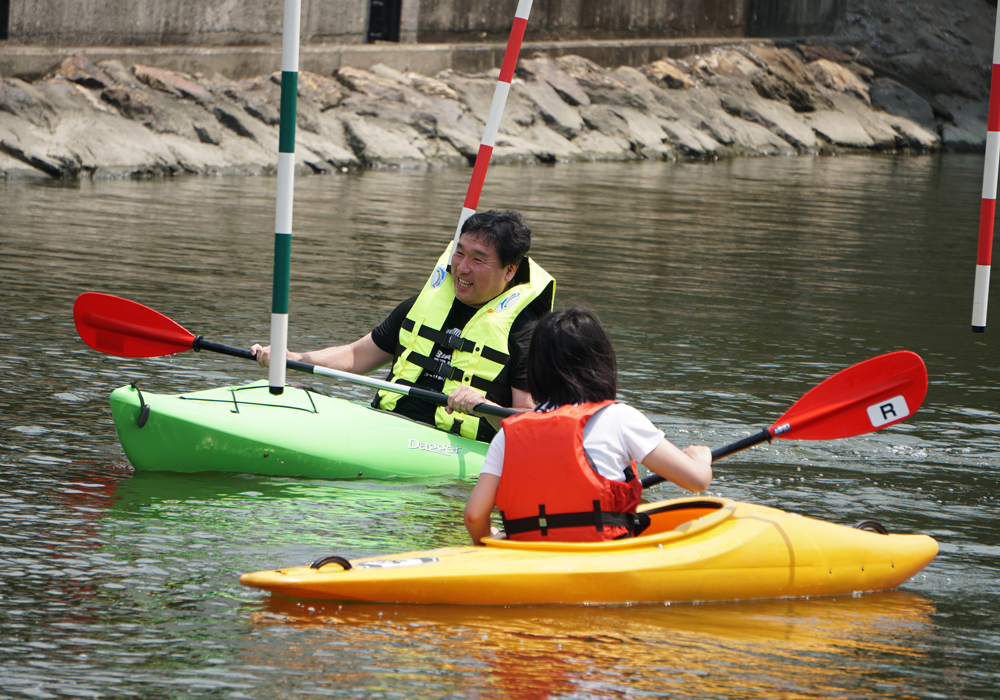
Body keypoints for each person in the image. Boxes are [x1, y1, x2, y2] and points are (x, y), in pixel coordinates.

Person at [251, 210, 555, 442]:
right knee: (293, 391)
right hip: (386, 424)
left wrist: (483, 404)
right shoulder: (421, 305)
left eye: (478, 260)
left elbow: (528, 423)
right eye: (459, 253)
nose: (462, 268)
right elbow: (358, 355)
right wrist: (295, 358)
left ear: (509, 270)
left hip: (450, 445)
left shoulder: (526, 335)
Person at [464, 307, 713, 545]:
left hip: (529, 555)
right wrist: (700, 458)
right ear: (600, 362)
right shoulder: (620, 418)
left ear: (535, 368)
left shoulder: (510, 431)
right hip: (600, 555)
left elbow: (474, 516)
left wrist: (489, 542)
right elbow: (697, 481)